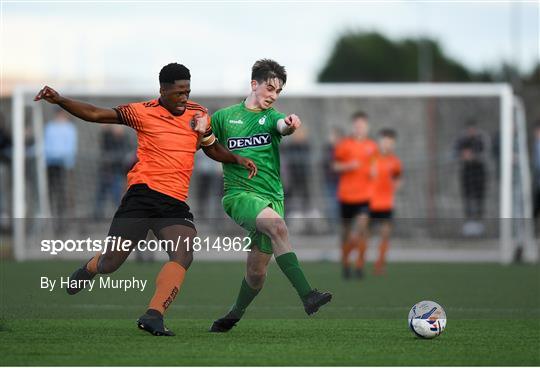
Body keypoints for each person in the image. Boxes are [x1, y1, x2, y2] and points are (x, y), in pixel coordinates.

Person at [34, 63, 257, 336]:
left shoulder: (198, 114)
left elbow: (210, 147)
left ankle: (153, 315)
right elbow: (94, 113)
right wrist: (60, 100)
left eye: (187, 91)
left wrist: (236, 158)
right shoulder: (142, 112)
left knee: (184, 254)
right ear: (162, 90)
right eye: (178, 93)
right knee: (110, 264)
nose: (184, 97)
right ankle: (91, 267)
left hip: (173, 203)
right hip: (141, 196)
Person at [208, 59, 332, 333]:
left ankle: (232, 316)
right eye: (270, 88)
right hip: (239, 195)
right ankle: (308, 295)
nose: (273, 96)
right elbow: (203, 142)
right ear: (254, 84)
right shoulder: (225, 117)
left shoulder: (273, 117)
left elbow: (282, 127)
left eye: (278, 92)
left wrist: (291, 124)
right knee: (278, 226)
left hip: (271, 199)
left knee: (256, 274)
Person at [334, 111, 378, 279]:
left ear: (367, 127)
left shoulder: (372, 146)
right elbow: (335, 166)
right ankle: (345, 263)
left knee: (361, 230)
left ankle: (359, 264)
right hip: (346, 196)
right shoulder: (344, 145)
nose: (360, 128)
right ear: (353, 126)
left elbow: (375, 164)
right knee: (345, 232)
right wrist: (348, 166)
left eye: (363, 125)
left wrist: (375, 171)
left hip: (365, 196)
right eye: (357, 125)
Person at [369, 129, 402, 275]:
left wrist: (395, 186)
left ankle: (379, 264)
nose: (387, 145)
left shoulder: (395, 162)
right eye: (385, 141)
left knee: (385, 234)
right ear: (379, 141)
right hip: (369, 203)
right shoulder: (371, 159)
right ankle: (356, 261)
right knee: (361, 235)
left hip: (386, 204)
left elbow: (398, 179)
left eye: (391, 143)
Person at [454, 119, 489, 236]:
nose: (471, 132)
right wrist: (462, 156)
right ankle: (468, 224)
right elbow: (455, 153)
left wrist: (474, 156)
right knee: (467, 198)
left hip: (479, 173)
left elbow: (486, 154)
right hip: (467, 173)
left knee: (479, 198)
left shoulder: (481, 139)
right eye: (469, 130)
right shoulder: (461, 140)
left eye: (473, 130)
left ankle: (479, 223)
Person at [44, 109, 78, 218]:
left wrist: (69, 163)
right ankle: (50, 214)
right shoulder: (49, 127)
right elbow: (45, 144)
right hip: (50, 164)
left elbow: (71, 147)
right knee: (50, 191)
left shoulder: (70, 128)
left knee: (63, 193)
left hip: (64, 165)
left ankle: (62, 217)